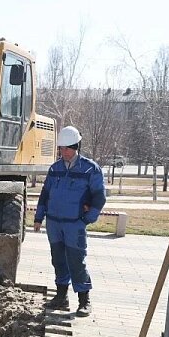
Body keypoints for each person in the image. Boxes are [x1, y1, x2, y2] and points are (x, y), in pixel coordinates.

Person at [33, 126, 106, 317]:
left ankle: (84, 301)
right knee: (58, 260)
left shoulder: (90, 169)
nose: (63, 152)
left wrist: (87, 219)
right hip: (54, 224)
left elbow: (99, 197)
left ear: (76, 147)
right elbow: (45, 194)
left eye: (67, 148)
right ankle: (61, 297)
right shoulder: (55, 169)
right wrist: (39, 218)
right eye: (61, 148)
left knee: (76, 261)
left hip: (74, 224)